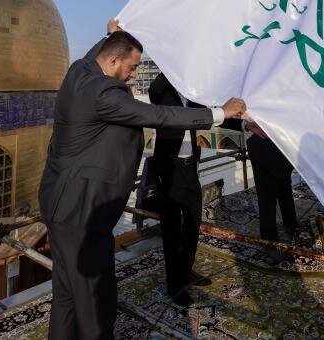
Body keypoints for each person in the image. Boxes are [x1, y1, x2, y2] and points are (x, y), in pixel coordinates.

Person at [38, 20, 245, 339]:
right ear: (113, 62)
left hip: (60, 202)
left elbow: (97, 54)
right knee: (95, 298)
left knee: (67, 293)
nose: (134, 74)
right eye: (132, 67)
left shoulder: (80, 72)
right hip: (82, 208)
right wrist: (220, 113)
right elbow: (159, 116)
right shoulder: (102, 92)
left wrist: (110, 34)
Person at [148, 72, 213, 306]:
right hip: (169, 166)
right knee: (172, 228)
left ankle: (186, 269)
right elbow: (154, 91)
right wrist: (170, 65)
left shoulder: (191, 93)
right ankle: (174, 285)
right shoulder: (161, 90)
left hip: (189, 165)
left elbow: (207, 113)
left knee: (194, 221)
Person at [222, 118, 297, 243]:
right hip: (273, 143)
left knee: (277, 191)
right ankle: (273, 236)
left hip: (276, 143)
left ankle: (278, 232)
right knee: (271, 195)